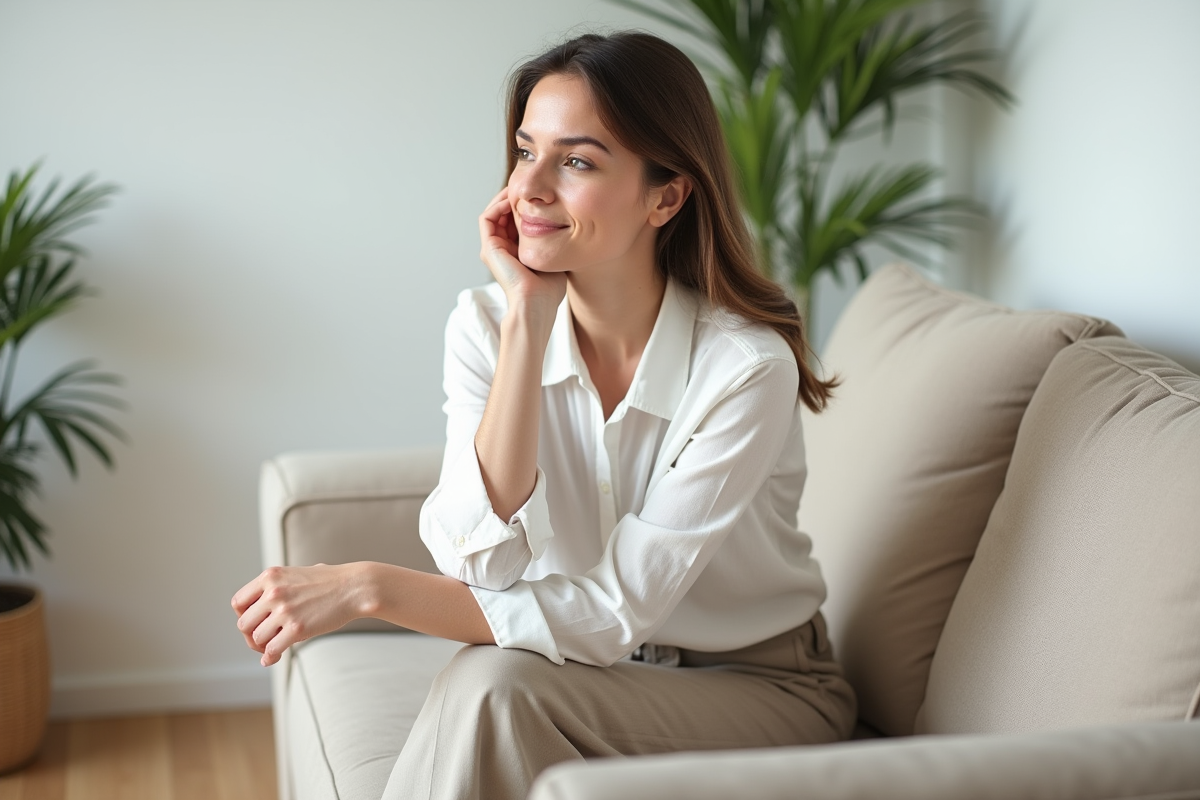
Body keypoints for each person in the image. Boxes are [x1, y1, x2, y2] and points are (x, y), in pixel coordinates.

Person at [232, 31, 856, 800]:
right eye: (527, 151)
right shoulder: (485, 326)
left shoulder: (744, 369)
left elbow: (613, 610)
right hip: (597, 679)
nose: (530, 188)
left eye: (577, 161)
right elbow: (479, 561)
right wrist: (527, 321)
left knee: (493, 688)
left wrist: (369, 588)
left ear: (667, 196)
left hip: (760, 688)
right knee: (490, 682)